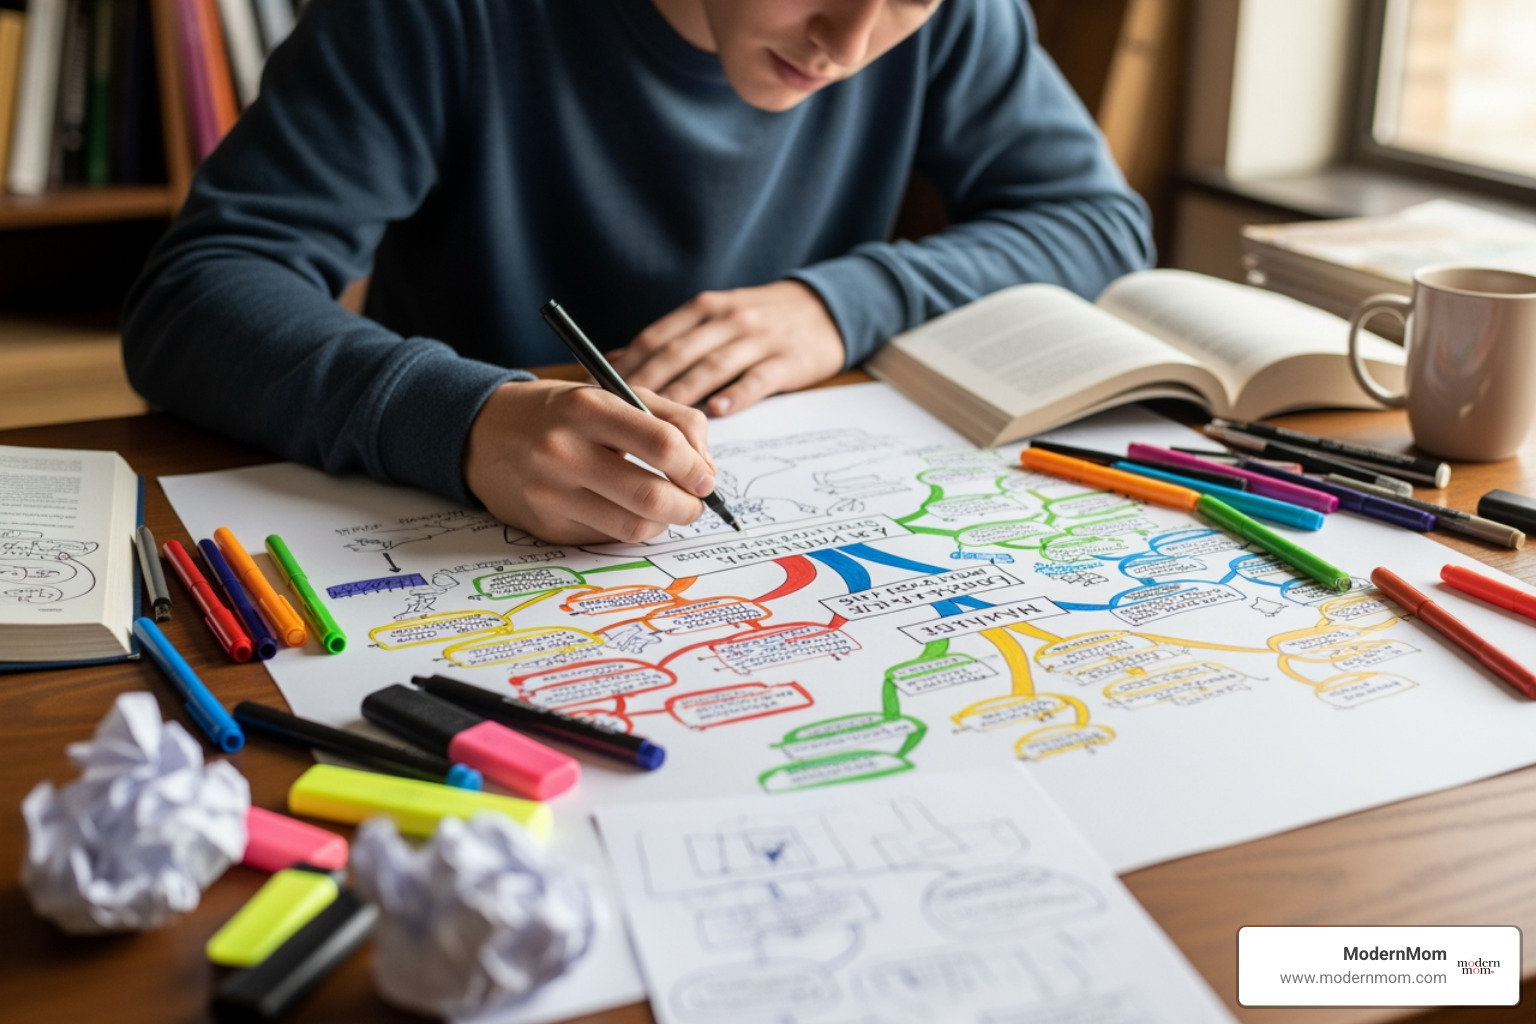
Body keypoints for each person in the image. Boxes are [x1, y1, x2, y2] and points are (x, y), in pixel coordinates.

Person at [123, 0, 1152, 544]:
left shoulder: (954, 16)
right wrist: (466, 420)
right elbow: (197, 293)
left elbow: (1099, 222)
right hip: (454, 525)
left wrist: (842, 302)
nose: (850, 41)